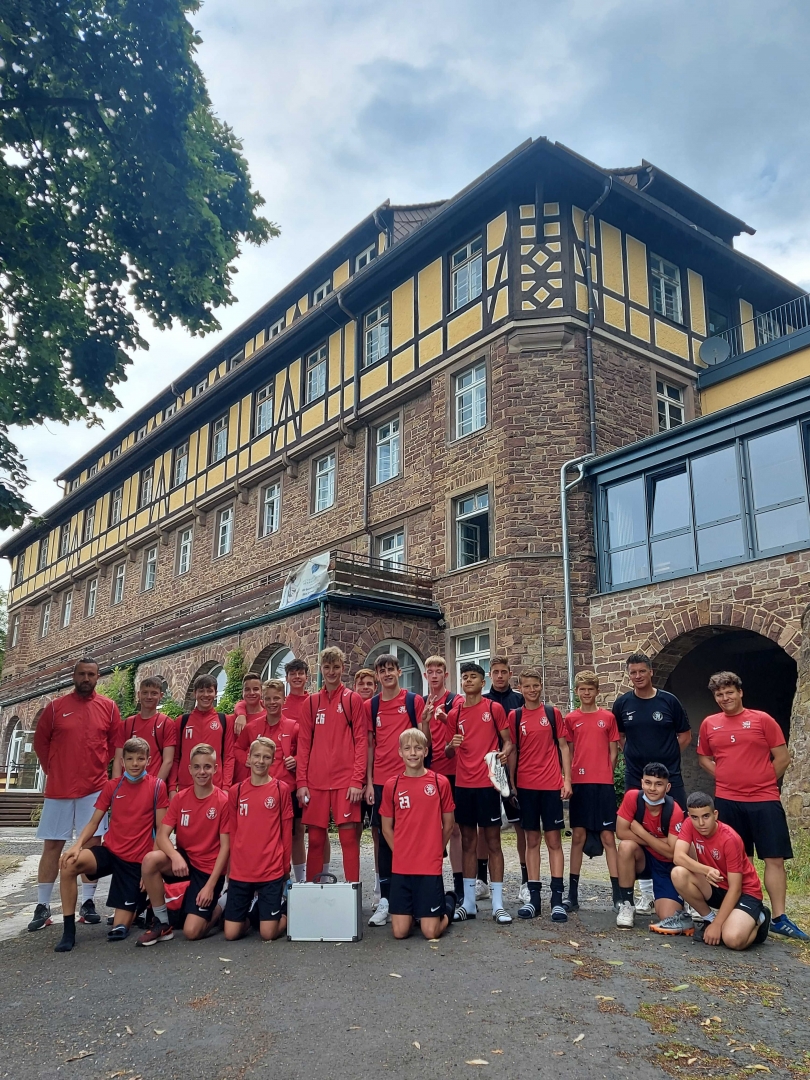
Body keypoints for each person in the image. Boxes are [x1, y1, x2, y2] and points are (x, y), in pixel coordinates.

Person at [696, 671, 807, 941]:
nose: (725, 698)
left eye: (729, 692)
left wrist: (761, 781)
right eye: (719, 694)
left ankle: (780, 918)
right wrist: (725, 777)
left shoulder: (762, 720)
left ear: (740, 692)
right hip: (728, 800)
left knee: (774, 858)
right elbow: (704, 758)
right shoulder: (710, 724)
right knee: (735, 860)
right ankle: (739, 911)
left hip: (764, 799)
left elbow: (782, 758)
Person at [30, 657, 120, 932]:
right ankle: (42, 906)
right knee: (52, 846)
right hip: (59, 790)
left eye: (91, 674)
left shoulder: (109, 707)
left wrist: (103, 774)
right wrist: (53, 770)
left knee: (91, 846)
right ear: (74, 676)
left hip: (93, 789)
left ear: (98, 677)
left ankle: (88, 903)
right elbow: (40, 743)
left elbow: (114, 746)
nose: (86, 678)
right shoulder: (55, 708)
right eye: (82, 674)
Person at [53, 737, 169, 952]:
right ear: (122, 761)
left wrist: (150, 870)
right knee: (68, 864)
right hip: (111, 852)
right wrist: (77, 845)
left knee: (119, 928)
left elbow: (162, 830)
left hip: (136, 862)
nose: (135, 763)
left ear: (149, 760)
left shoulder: (157, 787)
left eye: (140, 759)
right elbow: (94, 822)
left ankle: (138, 906)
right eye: (130, 759)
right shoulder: (112, 786)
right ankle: (68, 931)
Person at [612, 652, 691, 916]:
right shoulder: (623, 703)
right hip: (636, 777)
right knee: (635, 833)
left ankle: (685, 889)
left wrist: (667, 761)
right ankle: (646, 894)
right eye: (633, 672)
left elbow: (685, 735)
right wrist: (633, 757)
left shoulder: (669, 701)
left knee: (680, 832)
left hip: (670, 776)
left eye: (642, 671)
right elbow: (620, 736)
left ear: (651, 672)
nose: (637, 676)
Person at [137, 742, 230, 945]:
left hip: (208, 870)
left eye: (207, 767)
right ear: (190, 769)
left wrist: (210, 886)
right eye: (197, 767)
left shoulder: (223, 801)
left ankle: (220, 905)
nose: (202, 771)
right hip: (185, 862)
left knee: (192, 932)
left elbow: (226, 847)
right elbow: (162, 836)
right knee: (150, 860)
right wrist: (175, 855)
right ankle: (162, 923)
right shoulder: (180, 798)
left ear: (215, 768)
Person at [442, 661, 514, 924]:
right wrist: (451, 745)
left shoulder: (493, 708)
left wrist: (504, 754)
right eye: (465, 677)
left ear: (483, 682)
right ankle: (469, 903)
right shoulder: (454, 713)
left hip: (488, 784)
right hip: (464, 785)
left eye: (473, 676)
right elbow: (448, 752)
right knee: (468, 842)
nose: (468, 680)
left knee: (493, 842)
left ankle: (498, 904)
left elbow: (508, 742)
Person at [365, 654, 427, 927]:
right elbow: (369, 745)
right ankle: (386, 899)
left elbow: (424, 741)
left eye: (391, 669)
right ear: (377, 675)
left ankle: (415, 896)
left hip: (409, 780)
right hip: (381, 782)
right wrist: (368, 782)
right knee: (383, 840)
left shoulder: (413, 701)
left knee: (413, 836)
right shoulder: (371, 705)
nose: (387, 674)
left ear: (399, 672)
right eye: (382, 671)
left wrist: (426, 722)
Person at [296, 646, 366, 884]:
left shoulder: (352, 699)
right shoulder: (312, 703)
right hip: (315, 782)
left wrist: (357, 780)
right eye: (327, 667)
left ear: (343, 668)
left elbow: (361, 742)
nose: (332, 671)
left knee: (348, 838)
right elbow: (303, 745)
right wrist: (301, 783)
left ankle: (353, 892)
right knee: (316, 840)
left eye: (336, 667)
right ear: (321, 669)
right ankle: (314, 891)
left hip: (345, 781)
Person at [380, 729, 456, 940]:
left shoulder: (439, 782)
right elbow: (386, 827)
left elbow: (449, 824)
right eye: (407, 748)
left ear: (426, 751)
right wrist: (400, 852)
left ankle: (449, 905)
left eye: (417, 748)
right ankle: (415, 911)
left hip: (428, 866)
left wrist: (436, 850)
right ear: (400, 752)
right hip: (402, 866)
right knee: (400, 932)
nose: (412, 753)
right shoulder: (392, 785)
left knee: (430, 933)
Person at [508, 668, 571, 921]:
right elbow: (513, 750)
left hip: (551, 785)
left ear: (541, 685)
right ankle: (534, 898)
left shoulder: (552, 713)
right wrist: (512, 782)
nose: (532, 690)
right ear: (520, 688)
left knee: (554, 841)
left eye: (535, 685)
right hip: (526, 786)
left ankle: (557, 899)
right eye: (527, 686)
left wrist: (567, 779)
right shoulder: (515, 716)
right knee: (531, 841)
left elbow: (564, 747)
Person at [672, 792, 770, 949]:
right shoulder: (689, 824)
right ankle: (709, 919)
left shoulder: (730, 839)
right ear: (689, 816)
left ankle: (760, 918)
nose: (701, 823)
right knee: (678, 874)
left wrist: (718, 925)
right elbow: (678, 857)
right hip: (717, 885)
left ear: (715, 814)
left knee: (732, 940)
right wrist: (706, 870)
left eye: (706, 816)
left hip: (745, 893)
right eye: (695, 817)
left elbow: (736, 888)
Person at [223, 736, 293, 942]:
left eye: (266, 757)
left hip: (270, 869)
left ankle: (289, 910)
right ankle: (255, 915)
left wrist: (285, 867)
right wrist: (230, 867)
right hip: (242, 870)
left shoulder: (281, 789)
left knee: (268, 934)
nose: (261, 761)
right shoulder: (236, 791)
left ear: (273, 760)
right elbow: (233, 832)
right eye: (257, 756)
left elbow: (286, 831)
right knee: (231, 934)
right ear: (249, 758)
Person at [234, 679, 305, 882]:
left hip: (288, 790)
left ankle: (298, 880)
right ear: (263, 701)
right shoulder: (252, 727)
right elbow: (238, 748)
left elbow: (305, 753)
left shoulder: (293, 727)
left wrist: (296, 759)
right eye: (268, 699)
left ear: (284, 700)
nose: (272, 702)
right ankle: (262, 877)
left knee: (295, 834)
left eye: (276, 698)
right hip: (260, 789)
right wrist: (247, 761)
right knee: (262, 834)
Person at [563, 671, 621, 912]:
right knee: (578, 836)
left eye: (590, 689)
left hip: (603, 784)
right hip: (580, 783)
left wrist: (605, 772)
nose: (586, 693)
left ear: (597, 691)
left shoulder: (608, 717)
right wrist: (569, 778)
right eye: (582, 689)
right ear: (577, 692)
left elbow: (614, 751)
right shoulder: (571, 719)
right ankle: (572, 894)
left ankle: (618, 895)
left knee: (608, 837)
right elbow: (568, 751)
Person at [615, 762, 688, 933]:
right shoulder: (632, 797)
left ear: (667, 787)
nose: (652, 788)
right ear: (642, 783)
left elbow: (671, 852)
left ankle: (684, 900)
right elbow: (621, 832)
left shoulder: (674, 810)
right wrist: (659, 841)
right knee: (626, 846)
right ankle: (627, 905)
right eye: (648, 782)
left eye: (658, 784)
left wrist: (642, 832)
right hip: (643, 858)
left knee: (668, 917)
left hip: (666, 865)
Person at [485, 655, 527, 902]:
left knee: (521, 826)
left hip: (516, 769)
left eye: (504, 672)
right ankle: (481, 880)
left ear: (510, 674)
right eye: (495, 672)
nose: (500, 676)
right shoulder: (483, 700)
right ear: (490, 674)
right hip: (488, 769)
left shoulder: (520, 700)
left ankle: (525, 881)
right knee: (485, 827)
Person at [421, 655, 464, 900]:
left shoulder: (455, 700)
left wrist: (445, 718)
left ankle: (459, 885)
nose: (435, 675)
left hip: (454, 771)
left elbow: (462, 731)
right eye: (431, 671)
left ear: (446, 675)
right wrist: (426, 721)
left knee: (455, 828)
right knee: (430, 829)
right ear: (425, 675)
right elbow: (424, 743)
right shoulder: (421, 702)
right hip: (430, 772)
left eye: (439, 671)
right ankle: (432, 881)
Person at [170, 674, 234, 796]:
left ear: (216, 693)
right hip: (186, 786)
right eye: (201, 691)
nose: (205, 695)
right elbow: (175, 758)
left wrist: (226, 787)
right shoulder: (182, 721)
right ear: (195, 693)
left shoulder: (224, 721)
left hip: (215, 786)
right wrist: (172, 788)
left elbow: (229, 757)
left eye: (209, 691)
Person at [113, 676, 176, 782]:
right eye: (145, 693)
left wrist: (156, 787)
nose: (149, 697)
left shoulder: (166, 723)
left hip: (152, 783)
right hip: (128, 783)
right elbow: (118, 759)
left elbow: (168, 761)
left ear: (161, 696)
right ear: (139, 694)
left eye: (154, 693)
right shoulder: (127, 724)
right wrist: (115, 786)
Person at [231, 673, 267, 737]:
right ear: (242, 692)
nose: (251, 693)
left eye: (255, 689)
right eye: (247, 689)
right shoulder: (234, 719)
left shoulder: (269, 716)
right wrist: (241, 714)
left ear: (262, 692)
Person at [281, 658, 311, 724]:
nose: (297, 676)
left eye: (300, 673)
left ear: (306, 678)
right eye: (292, 674)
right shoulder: (281, 704)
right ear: (286, 678)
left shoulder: (313, 703)